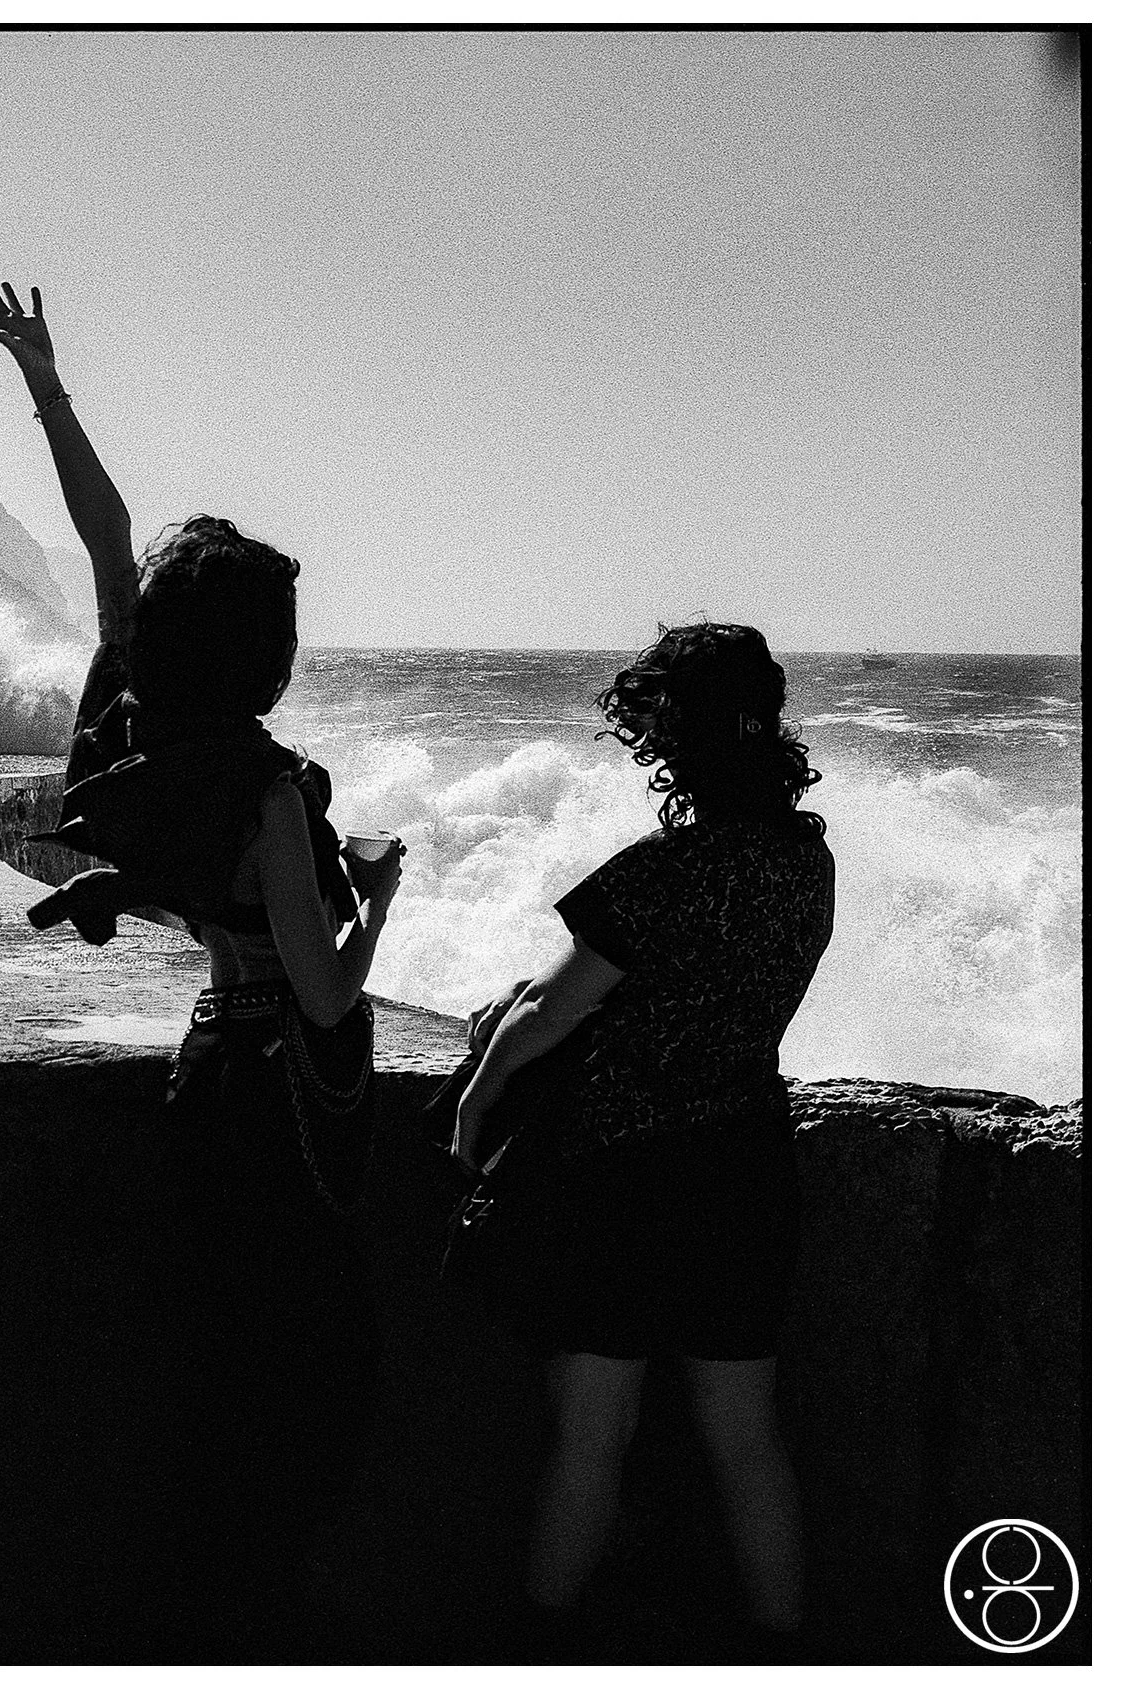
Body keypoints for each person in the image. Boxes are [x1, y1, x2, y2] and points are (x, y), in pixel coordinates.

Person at [0, 275, 404, 1651]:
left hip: (205, 1068)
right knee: (300, 1379)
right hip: (281, 1091)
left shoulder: (145, 732)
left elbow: (108, 542)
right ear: (266, 661)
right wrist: (378, 900)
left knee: (211, 1363)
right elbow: (330, 989)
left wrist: (45, 384)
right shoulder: (272, 793)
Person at [449, 622, 834, 1653]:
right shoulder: (809, 863)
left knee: (591, 1436)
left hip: (622, 1178)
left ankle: (539, 1649)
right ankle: (781, 1649)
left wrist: (475, 1097)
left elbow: (551, 1011)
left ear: (670, 744)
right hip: (746, 1167)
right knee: (745, 1439)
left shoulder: (660, 872)